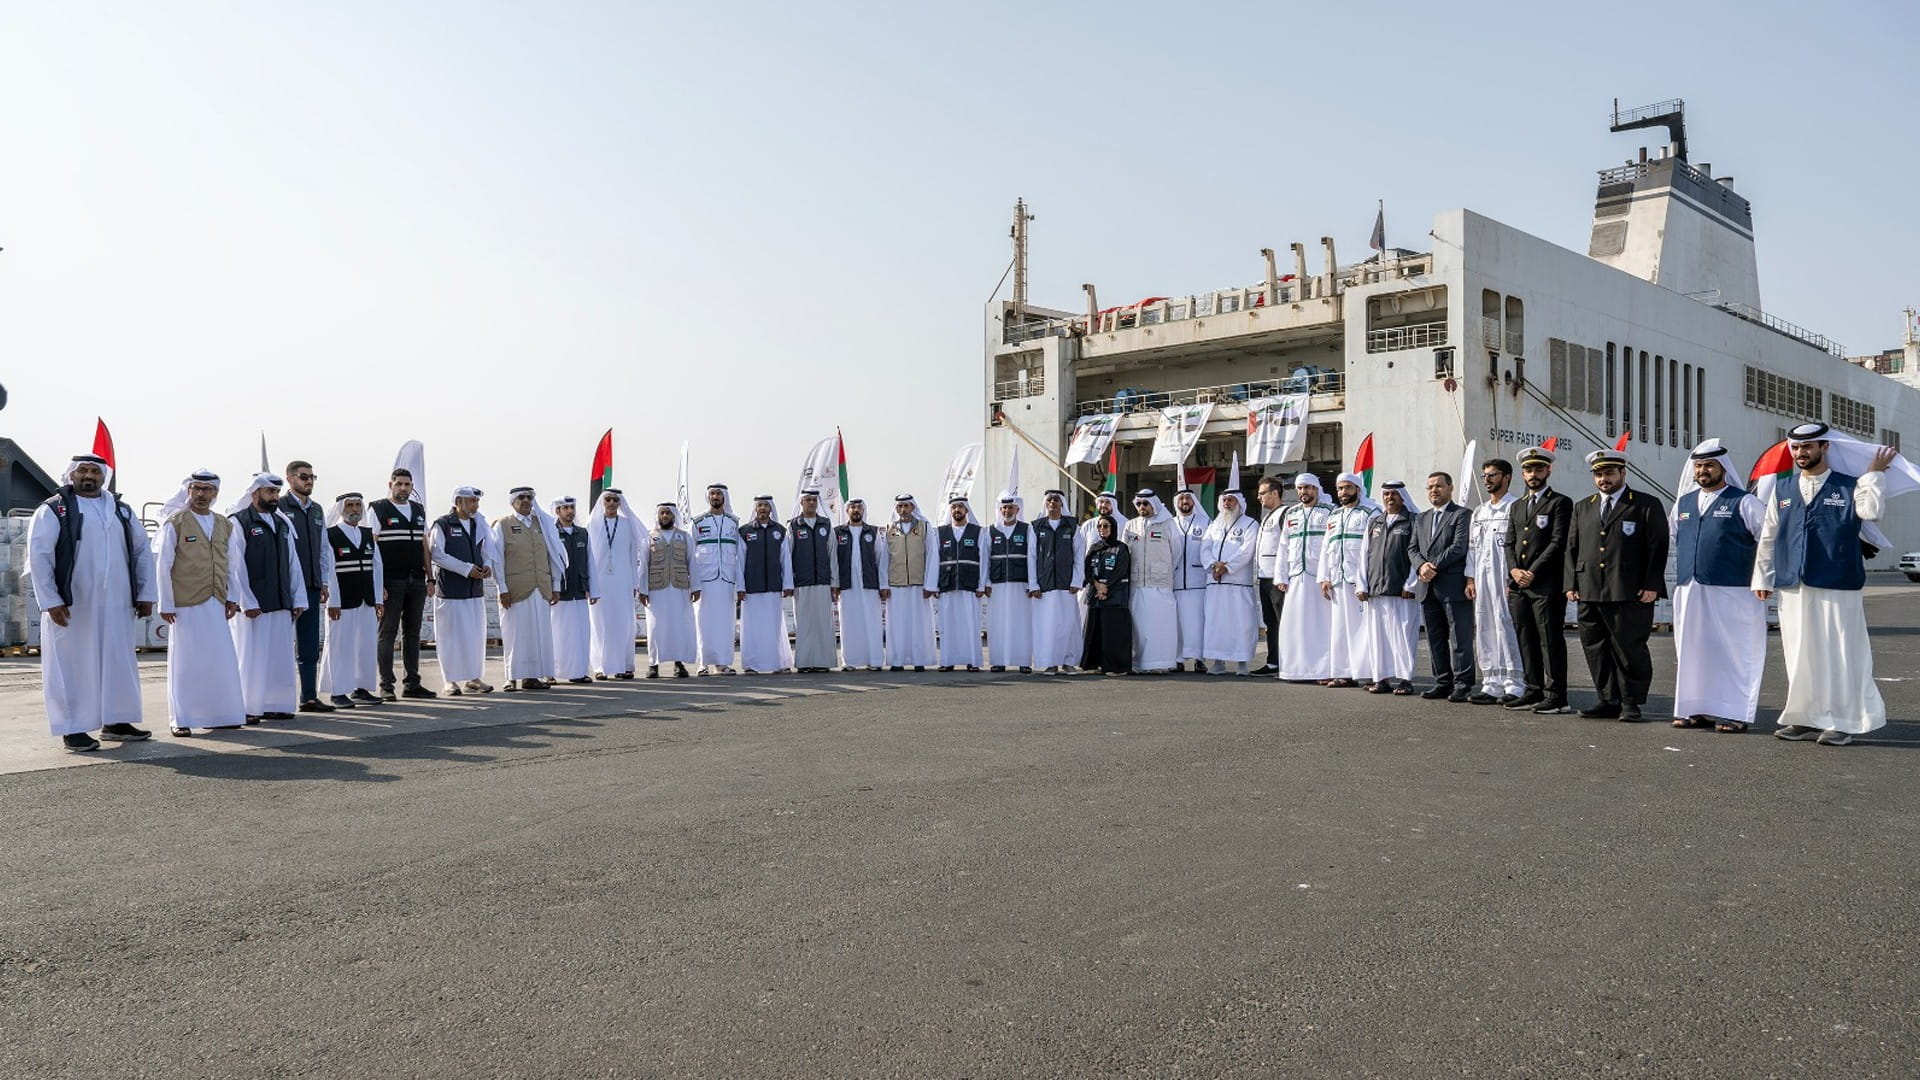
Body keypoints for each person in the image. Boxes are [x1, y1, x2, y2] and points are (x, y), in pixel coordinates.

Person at [1754, 423, 1896, 746]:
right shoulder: (1783, 489)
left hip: (1838, 581)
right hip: (1794, 582)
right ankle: (1804, 717)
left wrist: (1874, 473)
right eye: (1796, 448)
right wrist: (1762, 577)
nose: (1801, 453)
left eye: (1808, 447)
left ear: (1825, 448)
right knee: (1799, 652)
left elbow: (1871, 512)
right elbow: (1768, 536)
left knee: (1841, 651)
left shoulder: (1850, 485)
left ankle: (1842, 721)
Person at [29, 454, 157, 751]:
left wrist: (145, 593)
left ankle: (117, 721)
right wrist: (50, 600)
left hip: (117, 602)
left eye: (95, 471)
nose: (89, 476)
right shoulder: (53, 510)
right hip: (73, 604)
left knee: (117, 661)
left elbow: (141, 552)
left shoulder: (121, 510)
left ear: (104, 476)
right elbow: (40, 557)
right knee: (72, 664)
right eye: (83, 470)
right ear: (71, 475)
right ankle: (73, 727)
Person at [1669, 439, 1766, 733]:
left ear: (1723, 468)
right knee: (1692, 650)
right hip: (1690, 588)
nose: (1703, 470)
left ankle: (1735, 713)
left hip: (1732, 589)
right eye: (1698, 465)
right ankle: (1694, 709)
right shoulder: (1683, 503)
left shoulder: (1744, 501)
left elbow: (1768, 542)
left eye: (1709, 465)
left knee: (1733, 651)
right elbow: (1674, 538)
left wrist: (1764, 578)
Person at [1564, 449, 1668, 722]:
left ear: (1622, 473)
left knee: (1628, 646)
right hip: (1589, 589)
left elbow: (1658, 547)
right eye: (1598, 474)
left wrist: (1651, 584)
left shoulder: (1645, 504)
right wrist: (1571, 583)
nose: (1603, 479)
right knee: (1594, 646)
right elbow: (1572, 548)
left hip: (1629, 589)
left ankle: (1631, 702)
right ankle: (1607, 699)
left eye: (1609, 473)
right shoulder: (1583, 506)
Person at [154, 469, 245, 737]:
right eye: (196, 489)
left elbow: (234, 565)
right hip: (185, 603)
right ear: (188, 491)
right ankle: (181, 718)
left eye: (207, 489)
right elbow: (164, 565)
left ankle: (222, 714)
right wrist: (166, 603)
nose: (201, 494)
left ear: (215, 493)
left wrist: (233, 598)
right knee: (186, 661)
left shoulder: (224, 524)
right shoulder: (177, 522)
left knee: (219, 659)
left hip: (216, 601)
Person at [228, 473, 307, 721]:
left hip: (281, 602)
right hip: (254, 605)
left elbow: (293, 564)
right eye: (269, 492)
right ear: (255, 494)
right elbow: (235, 565)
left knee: (279, 658)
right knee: (251, 659)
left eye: (276, 492)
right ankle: (248, 707)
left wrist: (299, 598)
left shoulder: (282, 523)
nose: (274, 497)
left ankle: (276, 704)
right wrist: (245, 601)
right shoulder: (239, 522)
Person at [1502, 447, 1574, 715]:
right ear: (1523, 473)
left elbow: (1558, 542)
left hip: (1545, 584)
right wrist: (1514, 571)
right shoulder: (1517, 506)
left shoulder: (1559, 503)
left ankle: (1557, 695)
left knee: (1550, 639)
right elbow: (1509, 541)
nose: (1534, 475)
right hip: (1519, 584)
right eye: (1529, 470)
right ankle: (1533, 689)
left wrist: (1531, 571)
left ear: (1548, 471)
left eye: (1539, 469)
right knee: (1526, 638)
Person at [487, 487, 564, 692]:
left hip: (541, 588)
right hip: (515, 589)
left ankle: (532, 677)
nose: (526, 501)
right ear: (512, 501)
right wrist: (501, 588)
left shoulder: (543, 525)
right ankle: (510, 677)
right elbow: (497, 560)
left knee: (538, 633)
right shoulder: (503, 525)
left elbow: (554, 556)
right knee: (515, 634)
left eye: (530, 497)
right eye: (521, 497)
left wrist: (555, 585)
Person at [370, 467, 435, 701]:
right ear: (391, 485)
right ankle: (386, 685)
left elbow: (424, 545)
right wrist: (378, 584)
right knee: (387, 632)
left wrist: (430, 577)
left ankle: (413, 683)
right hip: (391, 580)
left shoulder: (418, 510)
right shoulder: (378, 509)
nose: (403, 488)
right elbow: (372, 548)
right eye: (399, 484)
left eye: (408, 485)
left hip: (416, 580)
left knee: (413, 633)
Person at [1409, 471, 1474, 703]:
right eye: (1429, 487)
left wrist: (1432, 565)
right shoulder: (1421, 518)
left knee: (1459, 638)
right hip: (1428, 587)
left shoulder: (1462, 515)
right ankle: (1442, 682)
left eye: (1438, 486)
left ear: (1450, 488)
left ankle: (1462, 684)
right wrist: (1420, 567)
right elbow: (1412, 548)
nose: (1434, 490)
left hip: (1453, 585)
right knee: (1435, 638)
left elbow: (1459, 546)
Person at [1464, 458, 1525, 705]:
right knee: (1485, 627)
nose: (1488, 480)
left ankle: (1515, 683)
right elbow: (1472, 549)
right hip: (1481, 578)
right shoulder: (1479, 511)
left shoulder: (1515, 508)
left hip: (1504, 579)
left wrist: (1514, 577)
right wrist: (1470, 579)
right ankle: (1491, 683)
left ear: (1507, 477)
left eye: (1493, 475)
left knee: (1506, 626)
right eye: (1485, 476)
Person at [279, 461, 336, 714]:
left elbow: (324, 548)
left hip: (312, 586)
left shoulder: (317, 510)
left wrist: (323, 580)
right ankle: (278, 700)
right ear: (290, 478)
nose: (309, 481)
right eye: (304, 477)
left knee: (310, 645)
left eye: (313, 477)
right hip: (286, 588)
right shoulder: (279, 506)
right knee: (280, 644)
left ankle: (309, 696)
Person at [319, 492, 385, 709]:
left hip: (366, 599)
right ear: (341, 508)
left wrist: (378, 600)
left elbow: (377, 567)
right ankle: (338, 692)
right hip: (342, 602)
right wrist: (333, 602)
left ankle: (362, 688)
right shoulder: (331, 534)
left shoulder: (367, 534)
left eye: (358, 505)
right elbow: (329, 571)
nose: (355, 509)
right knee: (340, 646)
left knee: (364, 646)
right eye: (350, 505)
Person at [430, 485, 494, 695]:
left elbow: (486, 550)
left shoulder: (479, 524)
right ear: (458, 502)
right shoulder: (443, 524)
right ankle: (450, 680)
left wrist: (487, 566)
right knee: (451, 637)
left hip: (474, 590)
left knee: (475, 636)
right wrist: (466, 569)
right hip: (451, 591)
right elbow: (437, 554)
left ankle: (473, 678)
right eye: (470, 501)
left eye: (476, 501)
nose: (474, 505)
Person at [1357, 480, 1419, 695]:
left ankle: (1405, 680)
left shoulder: (1412, 521)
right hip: (1375, 590)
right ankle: (1380, 678)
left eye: (1394, 494)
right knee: (1378, 638)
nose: (1389, 497)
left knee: (1403, 636)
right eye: (1386, 494)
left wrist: (1411, 583)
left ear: (1402, 496)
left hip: (1401, 590)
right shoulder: (1375, 522)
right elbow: (1364, 555)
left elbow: (1418, 556)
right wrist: (1361, 585)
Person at [1318, 473, 1378, 688]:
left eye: (1347, 488)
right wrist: (1324, 576)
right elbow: (1326, 547)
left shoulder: (1371, 513)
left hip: (1360, 581)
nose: (1343, 492)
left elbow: (1375, 549)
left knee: (1364, 628)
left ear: (1358, 489)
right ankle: (1344, 673)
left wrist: (1368, 578)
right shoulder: (1334, 516)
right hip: (1337, 580)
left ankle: (1372, 672)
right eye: (1340, 488)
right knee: (1340, 629)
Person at [1275, 473, 1333, 683]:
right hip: (1296, 577)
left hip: (1319, 579)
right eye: (1300, 489)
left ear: (1316, 489)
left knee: (1320, 625)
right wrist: (1281, 575)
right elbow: (1283, 546)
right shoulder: (1292, 513)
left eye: (1307, 488)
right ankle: (1296, 669)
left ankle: (1323, 670)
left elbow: (1332, 547)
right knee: (1295, 625)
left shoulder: (1330, 512)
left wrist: (1328, 575)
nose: (1303, 492)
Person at [1199, 485, 1260, 675]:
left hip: (1238, 584)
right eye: (1224, 500)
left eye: (1231, 500)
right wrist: (1213, 566)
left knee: (1241, 624)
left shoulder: (1250, 524)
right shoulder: (1214, 525)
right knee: (1216, 624)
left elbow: (1246, 551)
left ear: (1239, 503)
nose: (1227, 504)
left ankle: (1242, 663)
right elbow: (1204, 548)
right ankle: (1218, 661)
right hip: (1215, 584)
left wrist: (1226, 567)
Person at [587, 488, 645, 680]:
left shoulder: (627, 525)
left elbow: (633, 553)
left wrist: (634, 583)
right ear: (603, 502)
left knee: (623, 623)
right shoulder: (593, 524)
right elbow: (588, 557)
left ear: (620, 503)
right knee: (599, 623)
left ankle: (623, 664)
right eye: (608, 499)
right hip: (599, 582)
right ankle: (599, 666)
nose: (611, 503)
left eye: (615, 500)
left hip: (623, 581)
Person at [1123, 490, 1181, 675]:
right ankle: (1139, 663)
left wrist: (1163, 571)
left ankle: (1160, 663)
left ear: (1154, 504)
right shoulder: (1131, 525)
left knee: (1160, 626)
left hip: (1160, 585)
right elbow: (1124, 553)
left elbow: (1177, 553)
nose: (1142, 507)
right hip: (1137, 584)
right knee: (1139, 627)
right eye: (1139, 504)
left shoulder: (1168, 524)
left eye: (1145, 504)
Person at [737, 495, 794, 674]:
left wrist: (787, 584)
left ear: (771, 509)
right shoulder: (744, 531)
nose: (762, 508)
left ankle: (776, 662)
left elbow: (786, 561)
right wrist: (740, 587)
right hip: (752, 588)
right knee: (752, 629)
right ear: (755, 508)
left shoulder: (780, 531)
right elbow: (739, 562)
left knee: (774, 627)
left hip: (773, 587)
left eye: (766, 505)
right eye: (759, 505)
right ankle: (751, 664)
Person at [1029, 489, 1082, 674]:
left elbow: (1079, 555)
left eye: (1056, 500)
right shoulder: (1036, 527)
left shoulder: (1072, 526)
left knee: (1068, 625)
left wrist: (1076, 580)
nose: (1053, 503)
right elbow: (1031, 557)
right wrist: (1033, 584)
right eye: (1050, 500)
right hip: (1045, 585)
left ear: (1062, 504)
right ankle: (1050, 661)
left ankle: (1068, 661)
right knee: (1047, 626)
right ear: (1045, 503)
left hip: (1066, 584)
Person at [833, 498, 889, 671]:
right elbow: (833, 560)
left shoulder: (872, 532)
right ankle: (849, 661)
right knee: (849, 623)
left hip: (869, 584)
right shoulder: (838, 532)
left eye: (859, 507)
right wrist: (834, 583)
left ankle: (875, 660)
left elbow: (881, 559)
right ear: (847, 510)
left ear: (864, 510)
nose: (856, 510)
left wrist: (883, 584)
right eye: (852, 507)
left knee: (871, 622)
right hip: (847, 584)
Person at [642, 502, 697, 679]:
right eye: (662, 513)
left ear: (674, 516)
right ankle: (653, 664)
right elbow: (643, 565)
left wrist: (696, 587)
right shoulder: (649, 537)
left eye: (668, 513)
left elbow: (693, 564)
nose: (665, 516)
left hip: (679, 589)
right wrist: (642, 590)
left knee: (678, 627)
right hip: (656, 589)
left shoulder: (684, 537)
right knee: (656, 627)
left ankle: (678, 664)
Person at [884, 493, 938, 671]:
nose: (903, 510)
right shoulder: (889, 529)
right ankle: (897, 660)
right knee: (896, 625)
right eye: (900, 506)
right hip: (896, 585)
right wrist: (884, 585)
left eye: (906, 506)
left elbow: (932, 556)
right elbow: (884, 559)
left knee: (919, 625)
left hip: (918, 585)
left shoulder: (924, 527)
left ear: (913, 508)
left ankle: (919, 660)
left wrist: (930, 584)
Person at [692, 484, 742, 675]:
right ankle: (703, 663)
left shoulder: (733, 523)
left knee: (725, 623)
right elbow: (691, 556)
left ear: (724, 497)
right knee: (703, 622)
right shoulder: (698, 522)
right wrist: (693, 583)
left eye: (719, 493)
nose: (715, 496)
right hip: (705, 582)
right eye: (712, 493)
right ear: (708, 497)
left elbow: (740, 555)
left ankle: (722, 663)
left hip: (727, 581)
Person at [787, 490, 838, 672]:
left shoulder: (826, 524)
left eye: (814, 500)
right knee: (804, 624)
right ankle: (804, 663)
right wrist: (789, 582)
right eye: (807, 500)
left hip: (823, 582)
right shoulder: (793, 526)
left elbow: (832, 554)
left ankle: (823, 662)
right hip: (802, 582)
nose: (811, 503)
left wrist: (834, 582)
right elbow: (788, 556)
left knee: (823, 624)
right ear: (801, 502)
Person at [935, 497, 987, 671]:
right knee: (947, 625)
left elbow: (984, 560)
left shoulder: (978, 532)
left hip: (970, 585)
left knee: (971, 625)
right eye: (954, 507)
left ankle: (973, 661)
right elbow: (934, 561)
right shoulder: (940, 533)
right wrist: (934, 585)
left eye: (960, 507)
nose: (957, 509)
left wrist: (981, 585)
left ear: (967, 510)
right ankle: (947, 661)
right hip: (947, 584)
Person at [984, 493, 1034, 673]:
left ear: (1017, 509)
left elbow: (1032, 558)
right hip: (997, 585)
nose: (1007, 511)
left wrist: (1032, 583)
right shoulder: (991, 530)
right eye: (1004, 508)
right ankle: (998, 661)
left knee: (1021, 623)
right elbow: (985, 559)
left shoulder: (1027, 529)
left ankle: (1023, 661)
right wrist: (986, 582)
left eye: (1010, 507)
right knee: (998, 624)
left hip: (1020, 584)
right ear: (1000, 510)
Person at [1080, 514, 1133, 675]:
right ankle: (1097, 664)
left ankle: (1117, 667)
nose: (1102, 529)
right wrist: (1096, 585)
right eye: (1100, 526)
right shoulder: (1095, 547)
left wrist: (1106, 588)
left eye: (1106, 526)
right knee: (1096, 632)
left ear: (1113, 528)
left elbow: (1120, 571)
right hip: (1096, 596)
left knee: (1113, 633)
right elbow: (1087, 569)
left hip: (1115, 596)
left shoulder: (1121, 548)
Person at [550, 497, 594, 684]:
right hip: (560, 594)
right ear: (557, 511)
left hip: (580, 592)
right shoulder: (550, 532)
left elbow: (590, 562)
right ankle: (550, 672)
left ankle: (578, 672)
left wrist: (593, 590)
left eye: (572, 507)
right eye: (565, 508)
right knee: (558, 636)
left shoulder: (583, 533)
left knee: (581, 635)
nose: (570, 511)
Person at [1171, 488, 1210, 674]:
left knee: (1197, 623)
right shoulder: (1170, 523)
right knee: (1176, 624)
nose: (1185, 501)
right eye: (1181, 498)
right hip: (1176, 581)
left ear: (1194, 501)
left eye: (1188, 498)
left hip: (1198, 582)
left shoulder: (1205, 522)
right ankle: (1177, 659)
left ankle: (1199, 659)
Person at [1253, 476, 1287, 674]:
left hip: (1277, 577)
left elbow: (1287, 546)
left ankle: (1286, 660)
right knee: (1270, 621)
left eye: (1262, 493)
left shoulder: (1284, 514)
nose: (1259, 497)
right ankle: (1273, 660)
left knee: (1281, 619)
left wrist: (1283, 576)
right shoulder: (1267, 516)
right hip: (1264, 577)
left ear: (1274, 493)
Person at [1077, 491, 1125, 632]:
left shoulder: (1125, 524)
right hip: (1090, 582)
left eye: (1107, 502)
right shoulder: (1088, 525)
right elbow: (1081, 553)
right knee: (1084, 617)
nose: (1103, 505)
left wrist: (1107, 585)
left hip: (1115, 583)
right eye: (1101, 502)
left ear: (1114, 505)